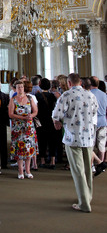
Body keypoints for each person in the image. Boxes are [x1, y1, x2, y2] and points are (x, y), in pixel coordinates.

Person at [52, 73, 98, 212]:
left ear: (69, 83)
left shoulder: (66, 95)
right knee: (87, 169)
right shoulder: (90, 95)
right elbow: (95, 111)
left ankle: (84, 203)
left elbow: (57, 114)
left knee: (78, 171)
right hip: (88, 137)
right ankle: (88, 196)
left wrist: (56, 121)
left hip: (73, 137)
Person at [8, 80, 38, 179]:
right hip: (18, 127)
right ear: (15, 89)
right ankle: (20, 171)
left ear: (24, 88)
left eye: (21, 87)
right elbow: (11, 114)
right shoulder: (13, 100)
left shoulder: (29, 98)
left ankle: (28, 170)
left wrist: (31, 116)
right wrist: (22, 118)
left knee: (28, 149)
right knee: (19, 149)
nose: (20, 89)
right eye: (18, 87)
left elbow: (35, 110)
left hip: (29, 127)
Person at [35, 78, 59, 169]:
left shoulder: (37, 96)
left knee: (42, 141)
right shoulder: (53, 96)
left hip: (41, 121)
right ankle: (52, 161)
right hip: (51, 120)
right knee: (52, 141)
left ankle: (42, 161)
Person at [90, 76, 107, 162]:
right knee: (102, 144)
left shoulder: (89, 94)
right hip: (103, 121)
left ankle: (92, 164)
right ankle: (101, 163)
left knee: (91, 144)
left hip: (92, 121)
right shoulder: (104, 95)